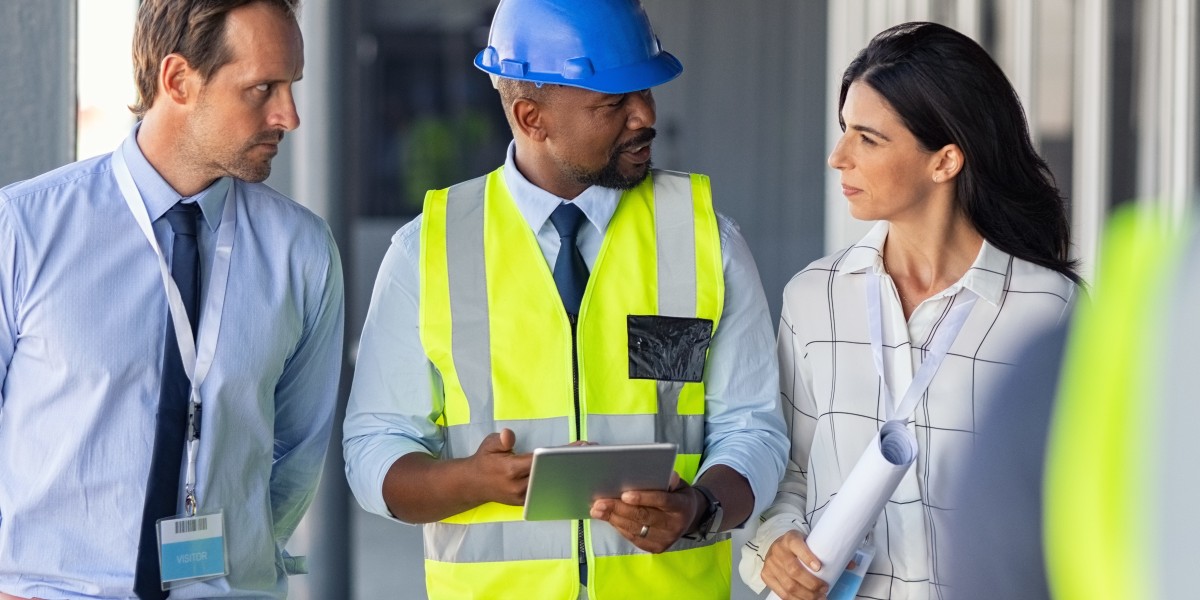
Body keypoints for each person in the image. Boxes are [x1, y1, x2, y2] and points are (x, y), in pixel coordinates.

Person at [342, 0, 788, 598]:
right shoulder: (428, 249)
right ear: (531, 118)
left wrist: (701, 508)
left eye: (646, 92)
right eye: (613, 104)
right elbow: (374, 449)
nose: (644, 116)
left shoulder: (707, 239)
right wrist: (470, 481)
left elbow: (753, 428)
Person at [0, 1, 344, 598]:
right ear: (178, 80)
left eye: (292, 86)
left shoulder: (302, 251)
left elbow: (297, 453)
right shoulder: (23, 229)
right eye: (262, 89)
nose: (288, 115)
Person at [738, 22, 1082, 600]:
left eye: (868, 139)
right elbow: (787, 469)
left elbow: (1078, 500)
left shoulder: (1047, 308)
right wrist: (773, 543)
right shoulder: (813, 297)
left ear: (944, 161)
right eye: (844, 130)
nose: (837, 157)